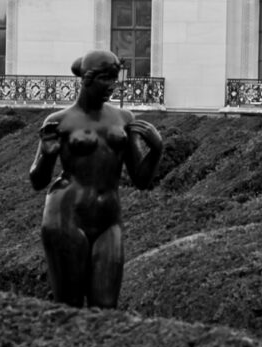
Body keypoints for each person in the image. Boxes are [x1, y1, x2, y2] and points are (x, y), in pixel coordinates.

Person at [28, 48, 163, 308]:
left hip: (108, 219)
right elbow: (37, 180)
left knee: (106, 306)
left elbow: (141, 180)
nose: (112, 86)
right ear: (87, 79)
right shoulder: (59, 120)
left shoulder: (124, 118)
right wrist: (46, 155)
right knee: (70, 305)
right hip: (65, 216)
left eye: (114, 79)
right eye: (105, 79)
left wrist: (156, 150)